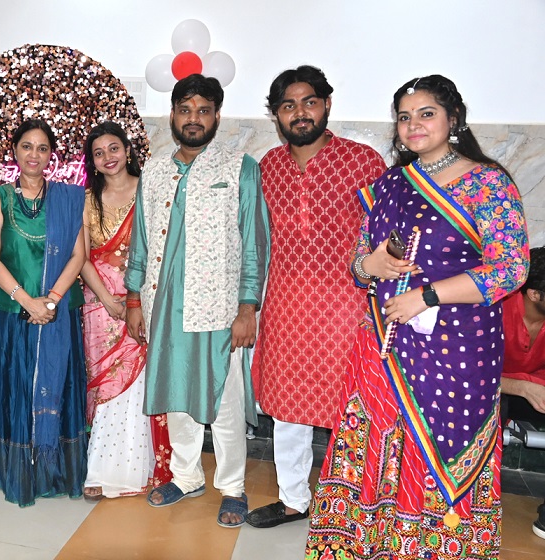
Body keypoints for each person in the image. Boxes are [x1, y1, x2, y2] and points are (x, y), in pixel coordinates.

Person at [305, 75, 529, 559]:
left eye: (426, 114)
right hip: (382, 341)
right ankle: (370, 545)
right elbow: (359, 262)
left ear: (454, 118)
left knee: (438, 450)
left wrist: (427, 296)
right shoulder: (390, 184)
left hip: (458, 348)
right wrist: (370, 265)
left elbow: (512, 268)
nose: (413, 125)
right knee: (378, 444)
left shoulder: (487, 183)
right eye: (404, 117)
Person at [125, 74, 270, 528]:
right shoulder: (154, 170)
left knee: (223, 400)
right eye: (185, 110)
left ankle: (233, 487)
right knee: (175, 393)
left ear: (217, 116)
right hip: (163, 303)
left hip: (219, 306)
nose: (194, 119)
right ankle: (186, 477)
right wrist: (134, 297)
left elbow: (254, 243)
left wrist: (248, 307)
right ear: (172, 115)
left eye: (203, 111)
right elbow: (140, 239)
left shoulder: (240, 168)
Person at [248, 65, 388, 528]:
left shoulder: (363, 161)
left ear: (326, 104)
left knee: (354, 408)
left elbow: (386, 234)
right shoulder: (267, 167)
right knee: (289, 410)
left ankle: (359, 503)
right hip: (287, 307)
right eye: (288, 105)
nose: (300, 113)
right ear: (276, 115)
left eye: (309, 102)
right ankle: (293, 498)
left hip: (349, 308)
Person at [0, 119, 87, 507]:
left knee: (56, 386)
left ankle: (52, 470)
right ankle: (12, 469)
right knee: (12, 386)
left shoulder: (68, 198)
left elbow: (79, 254)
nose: (34, 154)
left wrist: (51, 300)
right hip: (11, 312)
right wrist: (28, 301)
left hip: (58, 312)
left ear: (51, 155)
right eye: (27, 146)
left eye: (42, 148)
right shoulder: (0, 198)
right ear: (14, 150)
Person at [80, 122, 173, 501]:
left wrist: (136, 299)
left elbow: (162, 247)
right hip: (100, 305)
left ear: (127, 150)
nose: (108, 157)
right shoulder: (88, 200)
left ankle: (142, 467)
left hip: (144, 298)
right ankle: (101, 469)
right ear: (92, 161)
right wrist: (107, 299)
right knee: (107, 383)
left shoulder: (149, 190)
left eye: (114, 148)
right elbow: (81, 257)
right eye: (99, 153)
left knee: (141, 383)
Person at [499, 246, 545, 539]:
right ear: (534, 294)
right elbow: (469, 374)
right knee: (490, 407)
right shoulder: (496, 307)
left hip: (537, 391)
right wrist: (523, 386)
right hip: (491, 390)